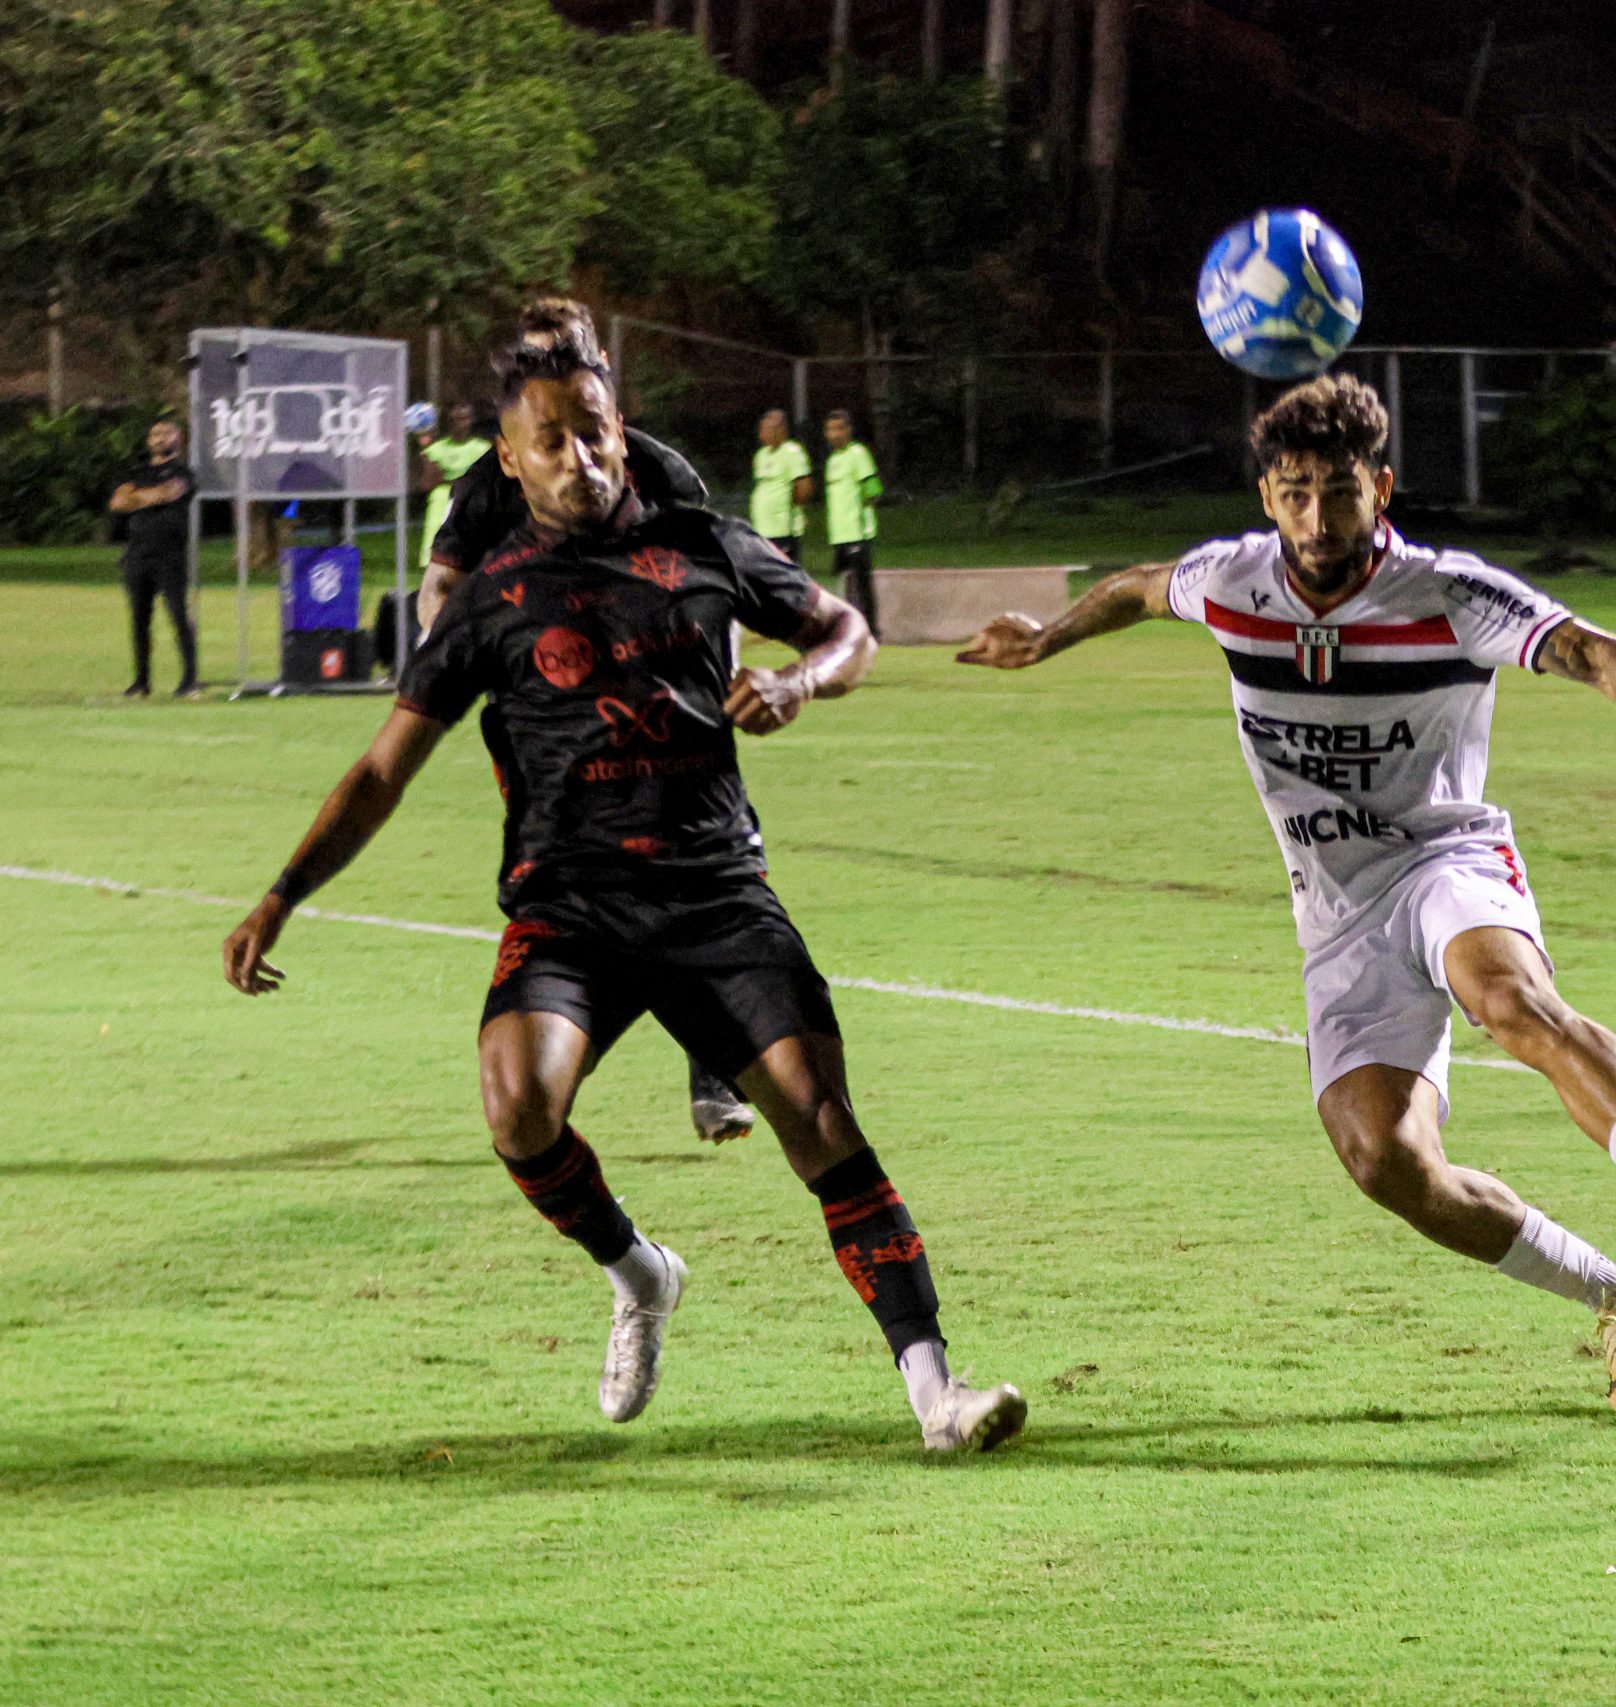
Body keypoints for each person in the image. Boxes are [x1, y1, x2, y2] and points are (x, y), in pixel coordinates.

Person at [221, 298, 1026, 1453]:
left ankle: (934, 1392)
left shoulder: (697, 539)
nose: (580, 455)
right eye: (551, 438)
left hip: (714, 891)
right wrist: (282, 894)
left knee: (821, 1121)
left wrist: (802, 685)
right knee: (518, 1105)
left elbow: (846, 626)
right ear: (510, 456)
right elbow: (383, 770)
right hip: (570, 909)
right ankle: (640, 1272)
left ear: (617, 424)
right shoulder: (490, 597)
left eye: (593, 429)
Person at [958, 374, 1616, 1416]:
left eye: (1339, 491)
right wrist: (1047, 637)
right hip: (1335, 905)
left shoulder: (1446, 592)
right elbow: (1138, 587)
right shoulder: (1233, 581)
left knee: (1511, 1003)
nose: (1316, 518)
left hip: (1445, 860)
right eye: (1293, 493)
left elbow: (1590, 647)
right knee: (1386, 1162)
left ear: (1381, 486)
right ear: (1266, 496)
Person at [415, 304, 760, 1151]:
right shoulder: (490, 483)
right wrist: (458, 661)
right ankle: (561, 1036)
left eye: (564, 354)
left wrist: (715, 675)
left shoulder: (661, 471)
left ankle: (712, 1061)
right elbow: (440, 589)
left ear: (600, 365)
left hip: (659, 703)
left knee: (702, 853)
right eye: (532, 358)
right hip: (549, 713)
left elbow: (710, 578)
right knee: (572, 863)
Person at [109, 417, 199, 698]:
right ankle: (141, 681)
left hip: (169, 556)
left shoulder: (184, 472)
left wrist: (138, 497)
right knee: (139, 619)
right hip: (137, 555)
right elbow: (118, 502)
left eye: (166, 432)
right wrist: (148, 496)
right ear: (149, 441)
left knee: (178, 617)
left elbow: (168, 493)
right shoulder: (136, 470)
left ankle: (188, 681)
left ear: (178, 438)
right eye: (155, 433)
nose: (160, 437)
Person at [822, 409, 883, 626]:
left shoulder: (858, 453)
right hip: (839, 533)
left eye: (839, 428)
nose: (835, 434)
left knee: (862, 585)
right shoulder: (832, 461)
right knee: (841, 585)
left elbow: (874, 489)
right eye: (830, 429)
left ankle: (871, 630)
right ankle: (845, 630)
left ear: (848, 430)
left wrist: (860, 514)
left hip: (858, 532)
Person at [416, 403, 493, 563]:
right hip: (441, 507)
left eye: (465, 419)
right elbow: (427, 482)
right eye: (456, 419)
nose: (461, 424)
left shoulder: (483, 448)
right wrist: (466, 477)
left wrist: (448, 475)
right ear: (449, 422)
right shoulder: (436, 449)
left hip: (472, 508)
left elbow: (489, 478)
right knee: (437, 557)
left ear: (472, 421)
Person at [749, 409, 814, 564]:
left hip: (784, 529)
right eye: (761, 430)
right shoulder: (761, 455)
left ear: (781, 430)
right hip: (762, 528)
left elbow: (804, 487)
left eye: (767, 430)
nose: (762, 435)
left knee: (786, 574)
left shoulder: (792, 452)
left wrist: (790, 507)